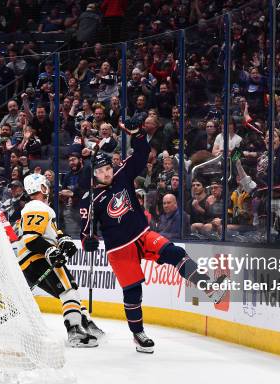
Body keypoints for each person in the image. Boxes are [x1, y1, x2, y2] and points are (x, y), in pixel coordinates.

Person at [80, 119, 226, 354]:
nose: (106, 173)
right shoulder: (92, 198)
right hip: (119, 249)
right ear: (94, 174)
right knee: (133, 290)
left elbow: (142, 154)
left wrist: (138, 135)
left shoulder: (122, 176)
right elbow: (87, 226)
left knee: (175, 253)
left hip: (142, 234)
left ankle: (209, 287)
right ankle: (138, 334)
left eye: (108, 169)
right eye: (101, 171)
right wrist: (88, 239)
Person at [15, 173, 104, 347]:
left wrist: (64, 240)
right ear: (41, 188)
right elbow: (31, 238)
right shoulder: (36, 205)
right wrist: (49, 250)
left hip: (31, 260)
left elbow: (51, 232)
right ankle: (75, 331)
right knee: (68, 290)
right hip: (38, 257)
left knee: (70, 290)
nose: (47, 187)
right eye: (45, 185)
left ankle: (86, 322)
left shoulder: (39, 207)